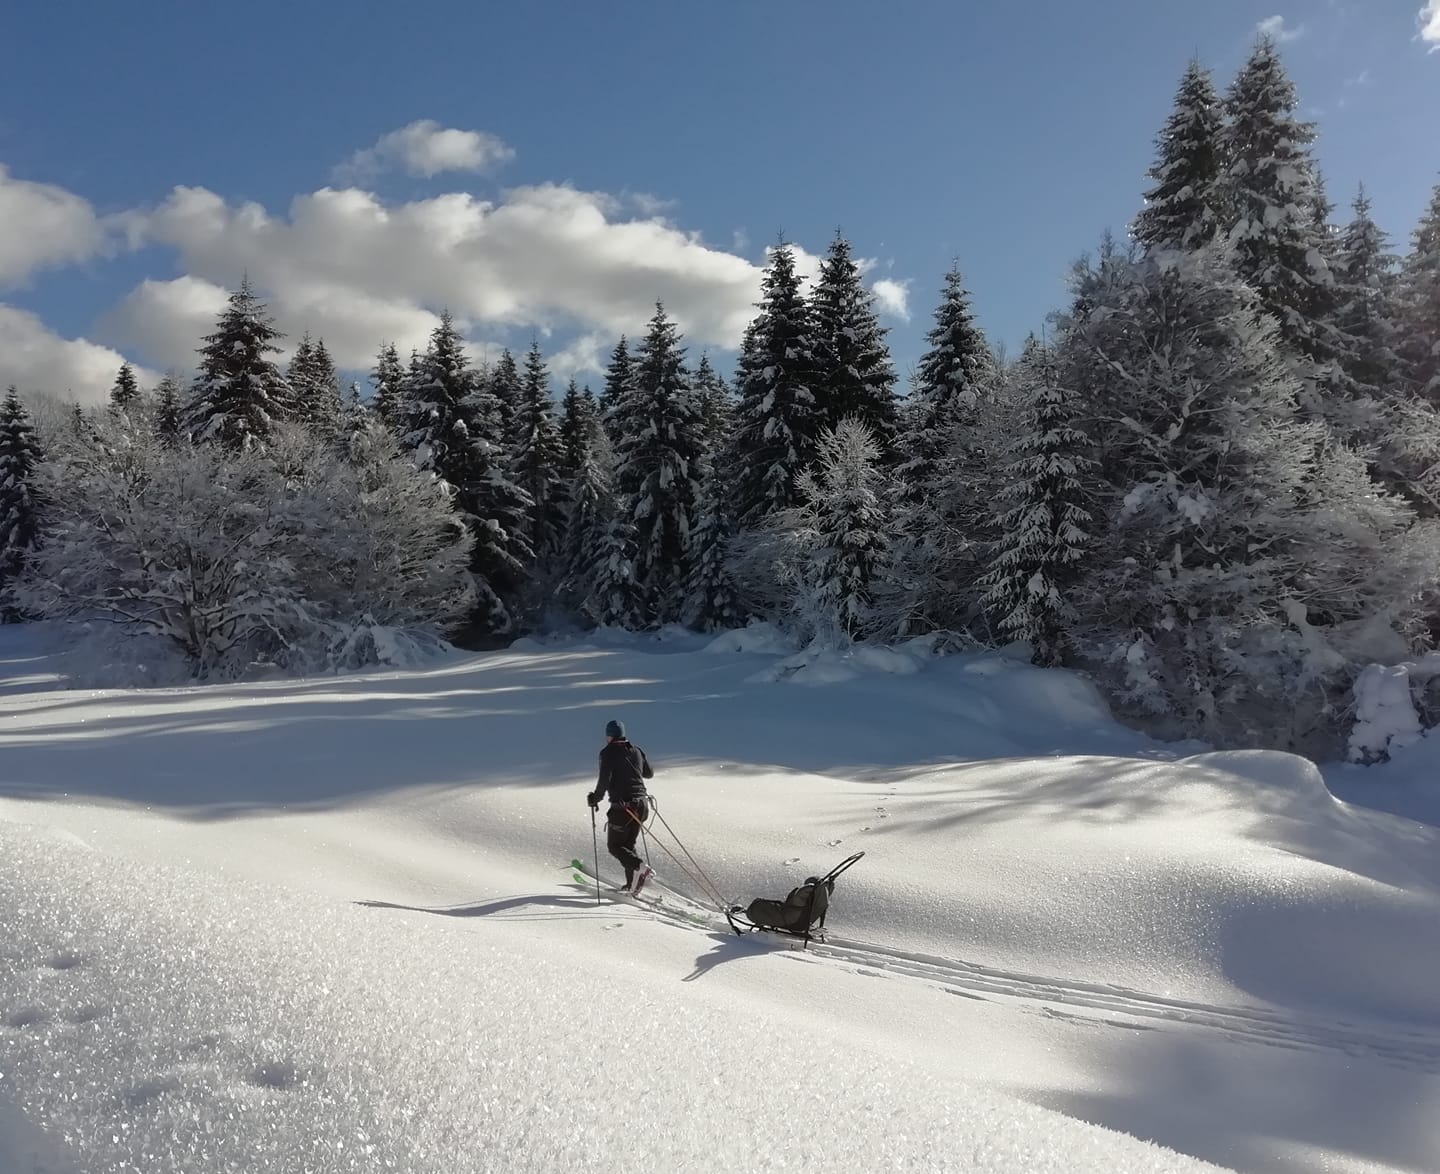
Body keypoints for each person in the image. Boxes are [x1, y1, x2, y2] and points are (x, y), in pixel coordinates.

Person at [587, 719, 655, 894]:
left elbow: (604, 781)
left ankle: (641, 868)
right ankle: (631, 884)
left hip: (623, 808)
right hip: (642, 806)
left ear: (609, 736)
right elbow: (649, 773)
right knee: (628, 845)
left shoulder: (607, 753)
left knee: (615, 846)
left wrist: (595, 798)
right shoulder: (637, 750)